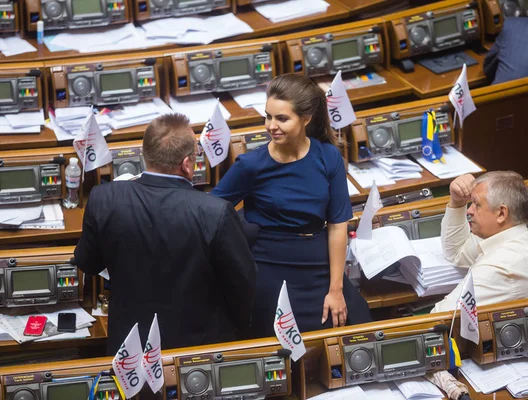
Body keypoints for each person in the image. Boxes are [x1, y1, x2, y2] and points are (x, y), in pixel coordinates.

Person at [75, 113, 256, 354]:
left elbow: (87, 261)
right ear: (187, 164)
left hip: (130, 344)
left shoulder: (103, 198)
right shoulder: (215, 212)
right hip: (196, 348)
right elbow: (243, 284)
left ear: (144, 155)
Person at [212, 73, 371, 338]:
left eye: (281, 118)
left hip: (318, 260)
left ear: (306, 119)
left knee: (356, 324)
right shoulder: (251, 165)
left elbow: (336, 226)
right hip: (269, 263)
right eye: (268, 116)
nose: (271, 126)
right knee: (283, 340)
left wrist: (335, 290)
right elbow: (211, 210)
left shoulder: (328, 156)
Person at [432, 171, 528, 313]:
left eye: (476, 205)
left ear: (501, 213)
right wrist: (457, 202)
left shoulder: (497, 269)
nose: (469, 211)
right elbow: (457, 253)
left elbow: (439, 315)